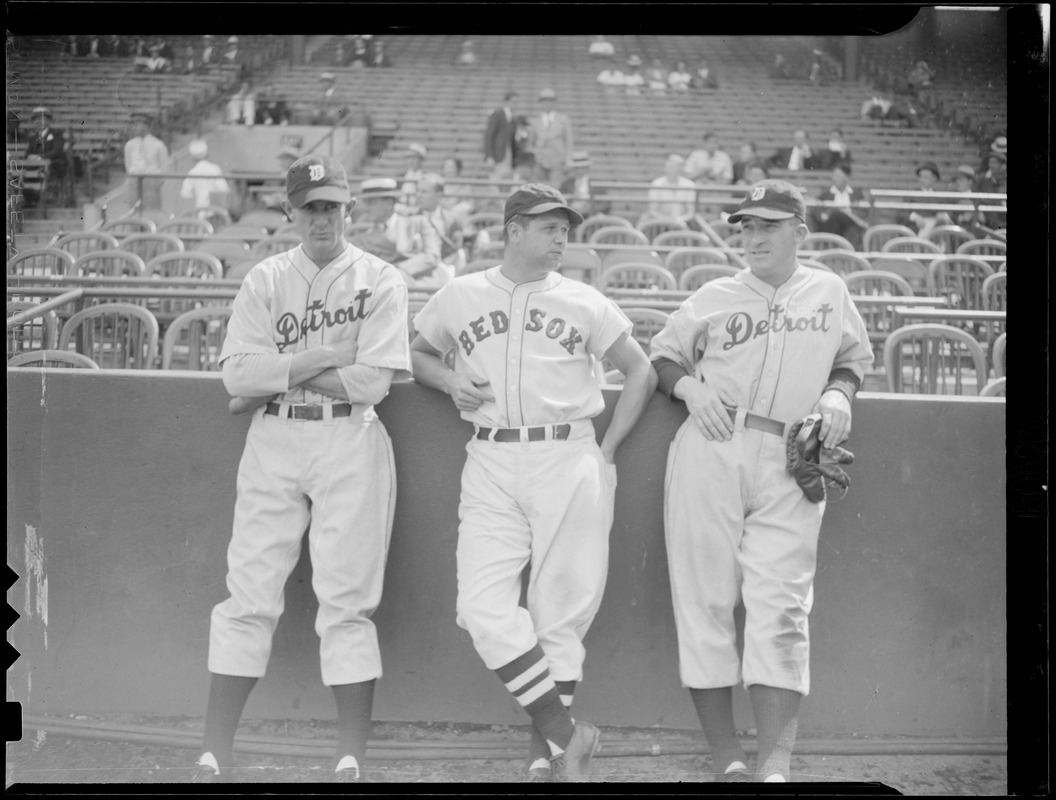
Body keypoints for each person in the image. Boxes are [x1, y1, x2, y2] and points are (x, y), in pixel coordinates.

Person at [409, 183, 657, 783]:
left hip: (567, 453)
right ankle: (569, 737)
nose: (561, 239)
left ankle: (546, 757)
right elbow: (417, 354)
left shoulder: (583, 299)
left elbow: (640, 369)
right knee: (481, 608)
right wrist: (447, 382)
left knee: (561, 614)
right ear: (514, 229)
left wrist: (608, 449)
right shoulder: (461, 293)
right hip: (491, 456)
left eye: (565, 229)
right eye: (549, 227)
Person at [193, 154, 411, 785]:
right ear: (290, 210)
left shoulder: (382, 279)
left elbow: (372, 382)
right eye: (311, 206)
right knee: (248, 591)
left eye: (333, 205)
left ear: (351, 209)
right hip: (276, 437)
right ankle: (214, 749)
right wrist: (320, 355)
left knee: (347, 600)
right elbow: (235, 376)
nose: (323, 217)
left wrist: (282, 364)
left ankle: (350, 754)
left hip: (350, 434)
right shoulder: (264, 280)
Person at [648, 179, 873, 783]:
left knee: (783, 605)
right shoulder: (715, 293)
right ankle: (726, 759)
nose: (754, 237)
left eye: (769, 226)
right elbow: (662, 356)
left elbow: (852, 359)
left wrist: (837, 392)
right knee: (705, 599)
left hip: (792, 450)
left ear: (800, 231)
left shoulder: (828, 289)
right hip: (712, 445)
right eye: (746, 226)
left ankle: (775, 765)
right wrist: (689, 388)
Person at [349, 177, 445, 287]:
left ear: (389, 203)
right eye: (365, 203)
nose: (367, 208)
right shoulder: (361, 229)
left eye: (371, 202)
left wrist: (399, 270)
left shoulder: (417, 222)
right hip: (383, 286)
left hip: (421, 284)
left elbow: (432, 255)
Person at [416, 172, 466, 277]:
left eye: (424, 192)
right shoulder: (409, 218)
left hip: (443, 269)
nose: (418, 195)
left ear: (439, 194)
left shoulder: (453, 219)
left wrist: (441, 266)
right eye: (418, 191)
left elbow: (456, 250)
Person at [812, 163, 868, 250]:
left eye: (838, 176)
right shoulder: (826, 194)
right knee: (836, 215)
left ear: (846, 178)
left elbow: (862, 214)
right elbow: (818, 211)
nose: (834, 178)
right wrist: (823, 215)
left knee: (852, 229)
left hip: (850, 224)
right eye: (834, 175)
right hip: (830, 225)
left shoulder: (857, 195)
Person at [528, 88, 574, 189]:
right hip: (539, 161)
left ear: (554, 103)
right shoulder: (535, 122)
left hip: (557, 161)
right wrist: (536, 153)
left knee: (556, 188)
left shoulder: (563, 120)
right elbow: (530, 144)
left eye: (550, 101)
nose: (547, 104)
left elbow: (568, 142)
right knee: (539, 189)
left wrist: (568, 161)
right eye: (544, 101)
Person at [123, 111, 169, 211]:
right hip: (135, 183)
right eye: (134, 124)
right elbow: (128, 166)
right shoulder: (129, 145)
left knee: (151, 212)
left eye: (138, 124)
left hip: (151, 183)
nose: (135, 127)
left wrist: (154, 183)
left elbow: (164, 170)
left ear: (147, 126)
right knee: (134, 213)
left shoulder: (158, 145)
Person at [642, 154, 698, 226]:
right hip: (659, 223)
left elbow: (691, 212)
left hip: (683, 222)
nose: (669, 169)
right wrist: (667, 220)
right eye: (668, 167)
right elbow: (653, 211)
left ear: (680, 169)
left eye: (673, 167)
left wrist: (680, 220)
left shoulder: (690, 185)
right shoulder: (656, 184)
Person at [180, 139, 230, 217]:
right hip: (215, 213)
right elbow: (223, 189)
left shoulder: (192, 172)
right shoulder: (214, 169)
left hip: (198, 212)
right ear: (207, 154)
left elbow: (185, 193)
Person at [24, 106, 67, 190]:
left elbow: (57, 151)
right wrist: (29, 156)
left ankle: (44, 194)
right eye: (35, 119)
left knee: (46, 170)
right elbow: (28, 152)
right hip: (36, 166)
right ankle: (30, 195)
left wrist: (40, 157)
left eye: (40, 119)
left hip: (54, 164)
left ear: (48, 120)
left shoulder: (56, 134)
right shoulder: (33, 137)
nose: (37, 122)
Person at [905, 162, 951, 237]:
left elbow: (948, 213)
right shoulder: (912, 194)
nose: (922, 180)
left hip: (935, 234)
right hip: (917, 232)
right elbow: (901, 213)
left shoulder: (940, 196)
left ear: (934, 178)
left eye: (926, 177)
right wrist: (915, 217)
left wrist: (942, 215)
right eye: (920, 177)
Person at [559, 150, 610, 218]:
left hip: (590, 216)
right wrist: (571, 207)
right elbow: (558, 200)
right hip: (572, 216)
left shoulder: (597, 184)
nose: (579, 170)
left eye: (582, 167)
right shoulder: (566, 184)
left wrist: (590, 208)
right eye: (576, 168)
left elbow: (606, 204)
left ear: (587, 168)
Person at [484, 92, 518, 183]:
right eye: (513, 102)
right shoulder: (497, 114)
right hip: (498, 154)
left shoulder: (513, 118)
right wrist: (489, 156)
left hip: (508, 153)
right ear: (507, 102)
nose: (515, 105)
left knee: (506, 179)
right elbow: (489, 136)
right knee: (495, 179)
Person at [400, 143, 427, 208]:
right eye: (409, 158)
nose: (411, 161)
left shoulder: (426, 176)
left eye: (414, 158)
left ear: (421, 160)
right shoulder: (400, 176)